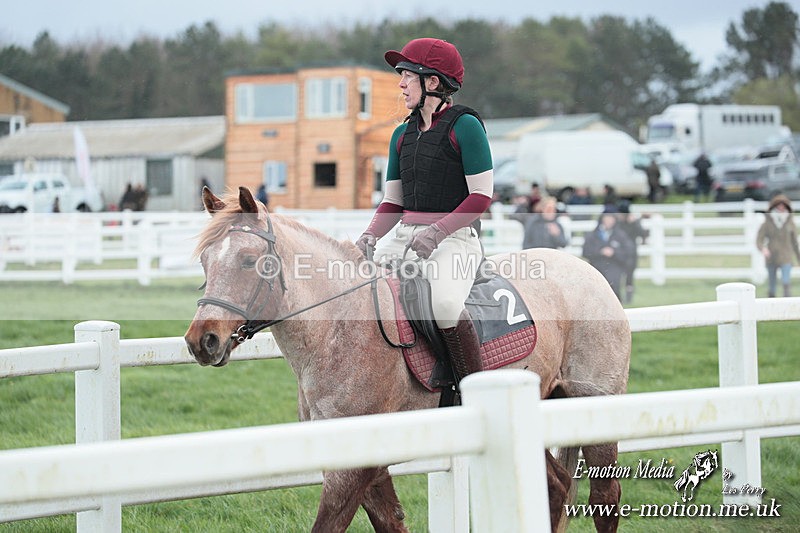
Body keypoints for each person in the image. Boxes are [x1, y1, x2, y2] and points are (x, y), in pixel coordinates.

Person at [355, 38, 493, 387]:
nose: (401, 84)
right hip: (404, 238)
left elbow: (480, 196)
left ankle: (471, 388)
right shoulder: (401, 135)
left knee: (445, 306)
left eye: (407, 75)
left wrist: (436, 232)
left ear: (432, 81)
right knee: (357, 289)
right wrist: (370, 234)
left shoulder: (466, 126)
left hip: (455, 240)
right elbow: (393, 202)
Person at [582, 206, 635, 302]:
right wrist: (600, 252)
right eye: (606, 218)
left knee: (614, 292)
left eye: (611, 218)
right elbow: (585, 251)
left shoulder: (620, 235)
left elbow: (627, 252)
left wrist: (614, 252)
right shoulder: (593, 235)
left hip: (614, 267)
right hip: (597, 267)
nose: (609, 221)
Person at [756, 194, 799, 297]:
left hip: (786, 257)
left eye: (783, 205)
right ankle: (770, 302)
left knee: (786, 282)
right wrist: (763, 249)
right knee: (772, 285)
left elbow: (795, 243)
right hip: (772, 256)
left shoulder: (790, 223)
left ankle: (787, 302)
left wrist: (799, 258)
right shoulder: (767, 223)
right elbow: (759, 240)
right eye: (778, 205)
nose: (781, 208)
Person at [616, 201, 649, 303]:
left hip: (631, 254)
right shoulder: (618, 223)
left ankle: (628, 298)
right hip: (620, 253)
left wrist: (634, 223)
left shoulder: (633, 222)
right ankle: (618, 297)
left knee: (629, 277)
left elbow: (643, 233)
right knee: (618, 275)